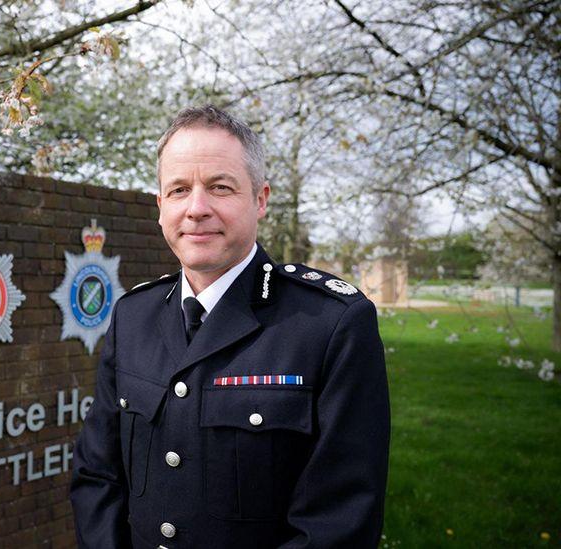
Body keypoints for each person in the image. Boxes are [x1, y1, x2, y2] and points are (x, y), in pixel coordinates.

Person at [69, 105, 390, 548]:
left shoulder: (330, 325)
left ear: (260, 200)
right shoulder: (133, 315)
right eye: (179, 190)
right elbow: (96, 474)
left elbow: (339, 523)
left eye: (220, 187)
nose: (196, 209)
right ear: (161, 206)